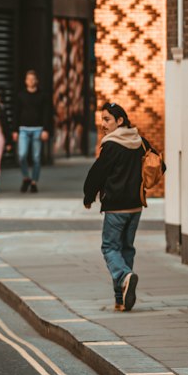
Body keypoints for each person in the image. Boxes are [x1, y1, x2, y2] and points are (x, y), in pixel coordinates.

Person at [82, 101, 147, 312]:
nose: (103, 124)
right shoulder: (139, 141)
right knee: (126, 249)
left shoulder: (111, 145)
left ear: (120, 121)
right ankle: (120, 299)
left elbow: (97, 174)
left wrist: (88, 196)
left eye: (107, 119)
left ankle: (123, 276)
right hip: (136, 207)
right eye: (102, 119)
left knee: (110, 247)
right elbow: (159, 165)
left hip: (116, 207)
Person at [12, 69, 51, 194]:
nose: (31, 81)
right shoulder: (20, 96)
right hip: (23, 129)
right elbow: (16, 114)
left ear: (36, 81)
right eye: (28, 79)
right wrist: (15, 130)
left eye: (33, 79)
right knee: (22, 155)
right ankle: (26, 177)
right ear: (25, 81)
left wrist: (46, 129)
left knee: (36, 157)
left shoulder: (42, 95)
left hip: (38, 130)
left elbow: (47, 114)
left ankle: (34, 182)